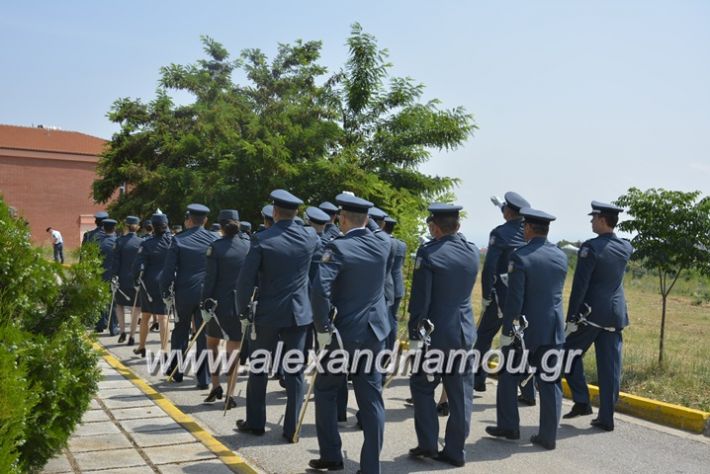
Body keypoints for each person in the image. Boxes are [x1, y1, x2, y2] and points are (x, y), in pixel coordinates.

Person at [309, 193, 392, 474]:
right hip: (373, 332)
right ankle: (371, 467)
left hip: (342, 335)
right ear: (367, 219)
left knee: (326, 390)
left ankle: (331, 455)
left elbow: (320, 291)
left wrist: (322, 328)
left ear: (341, 219)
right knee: (371, 400)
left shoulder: (339, 248)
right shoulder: (383, 245)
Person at [235, 189, 319, 441]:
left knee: (259, 367)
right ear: (296, 213)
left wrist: (242, 312)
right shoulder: (310, 237)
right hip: (299, 313)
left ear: (274, 212)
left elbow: (245, 281)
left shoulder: (263, 239)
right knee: (294, 371)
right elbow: (316, 275)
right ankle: (292, 427)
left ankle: (256, 423)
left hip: (268, 313)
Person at [486, 207, 567, 450]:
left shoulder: (520, 257)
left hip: (526, 331)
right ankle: (548, 436)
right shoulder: (560, 255)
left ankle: (509, 426)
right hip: (553, 328)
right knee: (550, 381)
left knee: (508, 375)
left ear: (529, 228)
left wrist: (507, 332)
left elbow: (515, 300)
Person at [407, 203, 479, 468]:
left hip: (435, 334)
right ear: (458, 226)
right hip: (464, 332)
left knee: (423, 386)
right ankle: (455, 451)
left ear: (434, 227)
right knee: (460, 395)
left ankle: (428, 443)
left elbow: (420, 302)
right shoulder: (472, 251)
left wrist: (415, 336)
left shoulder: (429, 254)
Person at [563, 201, 633, 432]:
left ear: (603, 220)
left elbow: (580, 286)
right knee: (610, 367)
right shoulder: (625, 247)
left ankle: (582, 401)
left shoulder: (590, 249)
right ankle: (606, 417)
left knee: (567, 355)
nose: (591, 221)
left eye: (594, 218)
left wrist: (571, 317)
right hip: (615, 315)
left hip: (592, 315)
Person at [473, 192, 535, 406]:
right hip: (523, 297)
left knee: (483, 337)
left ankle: (477, 379)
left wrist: (485, 295)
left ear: (508, 212)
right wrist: (501, 204)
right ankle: (528, 391)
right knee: (520, 342)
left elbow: (490, 266)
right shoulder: (528, 232)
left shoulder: (500, 233)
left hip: (500, 297)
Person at [161, 204, 218, 389]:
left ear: (189, 220)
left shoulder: (178, 240)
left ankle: (177, 371)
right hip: (206, 294)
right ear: (206, 220)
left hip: (184, 293)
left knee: (180, 331)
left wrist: (165, 292)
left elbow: (168, 271)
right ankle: (204, 378)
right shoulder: (213, 239)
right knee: (203, 334)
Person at [202, 209, 250, 408]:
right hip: (239, 304)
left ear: (220, 226)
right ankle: (230, 394)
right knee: (233, 350)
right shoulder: (248, 245)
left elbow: (209, 280)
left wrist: (204, 302)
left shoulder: (216, 247)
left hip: (218, 304)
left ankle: (215, 385)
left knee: (212, 344)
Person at [132, 212, 173, 357]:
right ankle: (164, 350)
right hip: (166, 283)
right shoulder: (172, 242)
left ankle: (142, 346)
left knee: (146, 316)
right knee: (163, 317)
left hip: (148, 284)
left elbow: (138, 266)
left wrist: (136, 280)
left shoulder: (146, 243)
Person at [111, 216, 143, 344]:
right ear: (137, 227)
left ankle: (123, 331)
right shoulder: (142, 242)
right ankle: (132, 335)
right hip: (137, 280)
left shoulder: (119, 241)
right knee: (136, 308)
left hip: (122, 278)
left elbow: (115, 262)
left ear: (126, 226)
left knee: (119, 305)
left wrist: (114, 276)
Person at [382, 216, 406, 350]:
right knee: (393, 319)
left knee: (385, 320)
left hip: (386, 286)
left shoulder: (384, 242)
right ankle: (391, 347)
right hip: (398, 285)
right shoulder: (401, 244)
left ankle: (386, 347)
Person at [96, 219, 119, 335]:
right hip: (114, 274)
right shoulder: (118, 242)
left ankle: (100, 323)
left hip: (100, 274)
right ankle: (113, 326)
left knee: (101, 300)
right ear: (114, 228)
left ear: (104, 229)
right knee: (113, 301)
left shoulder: (97, 242)